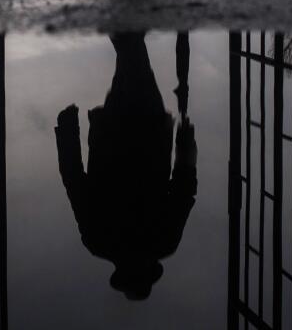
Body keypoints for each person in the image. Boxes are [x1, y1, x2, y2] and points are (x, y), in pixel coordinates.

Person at [54, 32, 197, 300]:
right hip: (113, 133)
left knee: (133, 60)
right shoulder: (98, 242)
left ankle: (126, 10)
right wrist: (67, 129)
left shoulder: (164, 241)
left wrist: (186, 143)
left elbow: (183, 187)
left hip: (149, 132)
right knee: (131, 60)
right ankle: (125, 12)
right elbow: (73, 180)